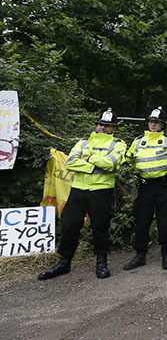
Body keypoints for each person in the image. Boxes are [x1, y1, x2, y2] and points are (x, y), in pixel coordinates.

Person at [38, 108, 126, 280]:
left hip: (101, 191)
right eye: (100, 124)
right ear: (96, 124)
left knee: (100, 227)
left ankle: (102, 262)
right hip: (78, 190)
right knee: (70, 225)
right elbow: (70, 163)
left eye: (107, 126)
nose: (102, 128)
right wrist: (95, 165)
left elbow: (111, 164)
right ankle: (64, 262)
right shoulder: (82, 143)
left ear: (113, 128)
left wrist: (89, 159)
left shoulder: (118, 144)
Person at [123, 106, 167, 271]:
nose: (153, 124)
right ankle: (140, 255)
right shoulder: (138, 140)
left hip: (163, 186)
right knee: (142, 221)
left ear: (162, 124)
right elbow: (128, 158)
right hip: (145, 187)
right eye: (151, 121)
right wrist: (136, 170)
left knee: (165, 221)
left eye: (156, 122)